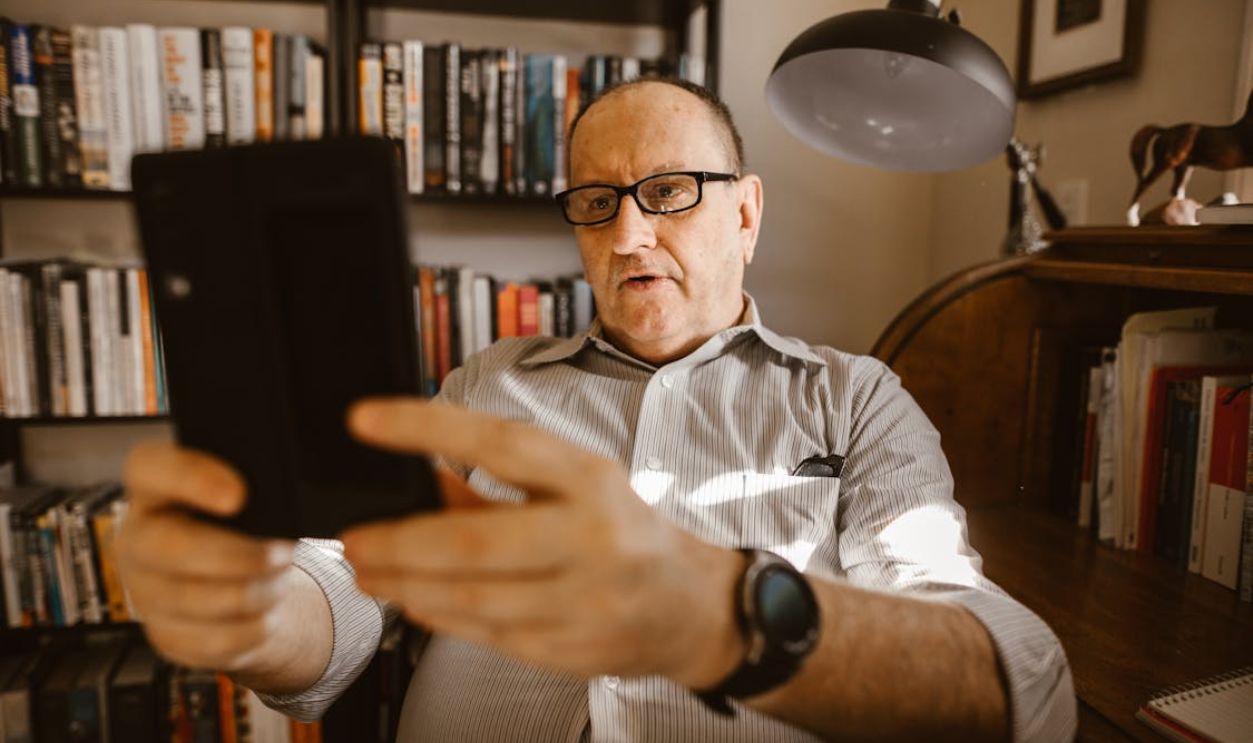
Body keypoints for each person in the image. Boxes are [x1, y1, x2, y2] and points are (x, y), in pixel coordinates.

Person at [119, 78, 1076, 742]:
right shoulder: (489, 386)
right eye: (594, 201)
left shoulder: (852, 398)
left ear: (745, 214)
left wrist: (706, 612)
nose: (626, 236)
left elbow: (1016, 683)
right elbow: (344, 579)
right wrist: (251, 615)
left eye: (667, 192)